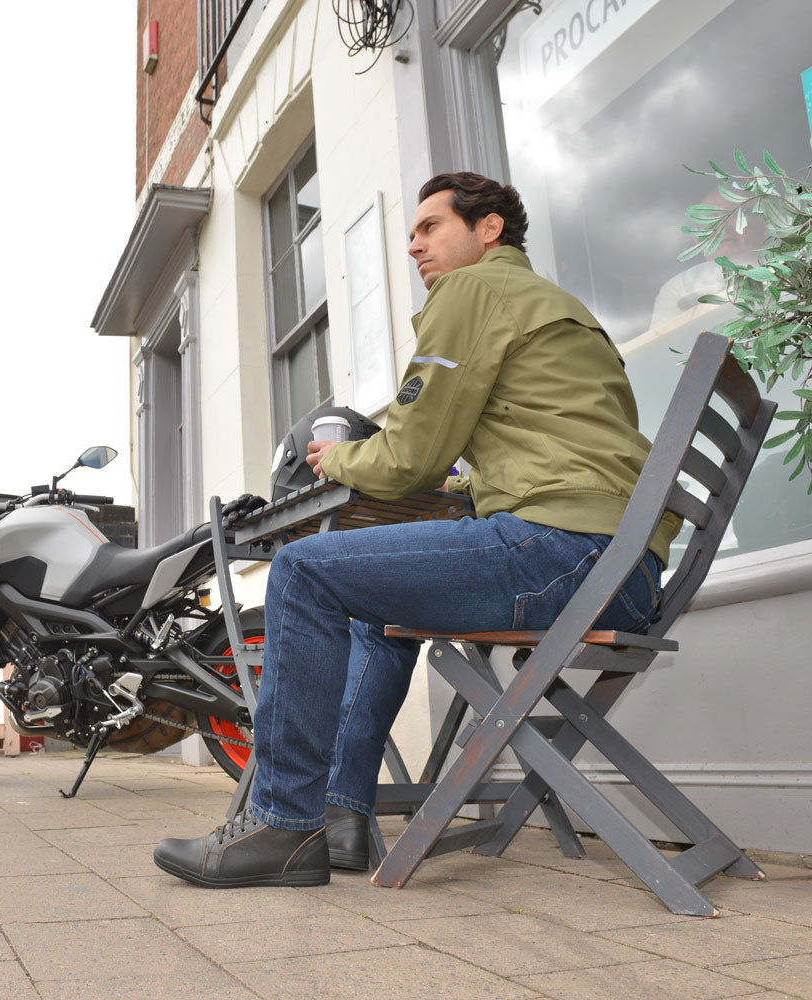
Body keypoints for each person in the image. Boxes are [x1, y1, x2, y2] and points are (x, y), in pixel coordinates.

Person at [152, 172, 681, 889]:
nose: (414, 246)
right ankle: (339, 818)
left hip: (561, 553)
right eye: (411, 233)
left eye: (430, 227)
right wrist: (463, 485)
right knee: (373, 604)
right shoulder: (558, 306)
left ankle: (282, 823)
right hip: (623, 572)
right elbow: (543, 448)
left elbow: (407, 457)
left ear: (488, 227)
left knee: (305, 569)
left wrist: (339, 456)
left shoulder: (471, 292)